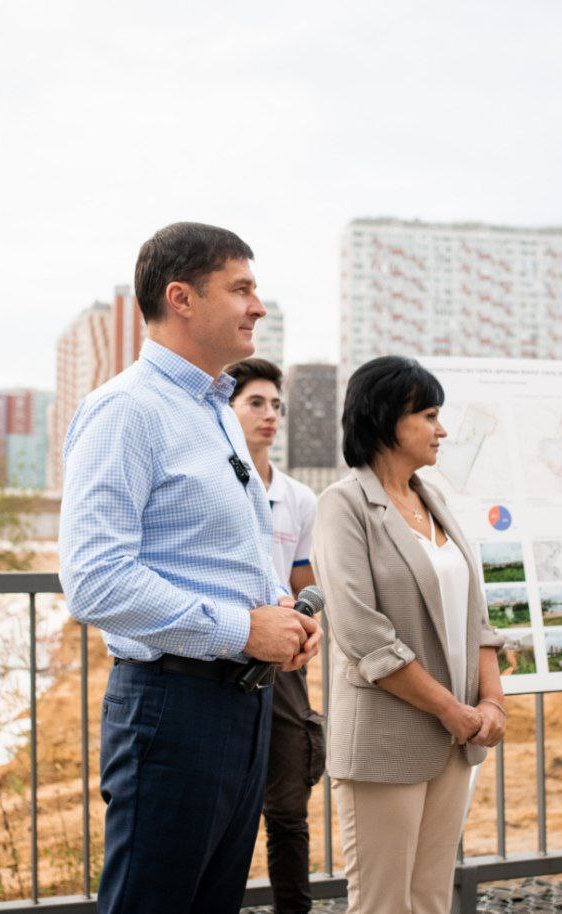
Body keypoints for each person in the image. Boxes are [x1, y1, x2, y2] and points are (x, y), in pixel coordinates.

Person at [59, 222, 322, 914]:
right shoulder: (126, 411)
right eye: (241, 289)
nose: (257, 306)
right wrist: (244, 629)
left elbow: (231, 553)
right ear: (181, 298)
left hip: (241, 703)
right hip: (172, 707)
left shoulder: (216, 413)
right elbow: (94, 580)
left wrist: (280, 612)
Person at [310, 355, 507, 914]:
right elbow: (363, 633)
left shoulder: (435, 501)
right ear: (386, 418)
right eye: (429, 415)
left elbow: (476, 617)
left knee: (430, 899)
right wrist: (451, 709)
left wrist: (491, 701)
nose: (442, 430)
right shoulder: (343, 505)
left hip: (456, 739)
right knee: (382, 903)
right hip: (387, 740)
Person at [226, 357, 324, 914]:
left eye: (276, 406)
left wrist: (310, 626)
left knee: (288, 807)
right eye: (255, 403)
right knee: (225, 809)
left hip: (283, 665)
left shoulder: (300, 498)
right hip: (225, 650)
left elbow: (303, 577)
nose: (269, 415)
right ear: (227, 409)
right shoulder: (217, 485)